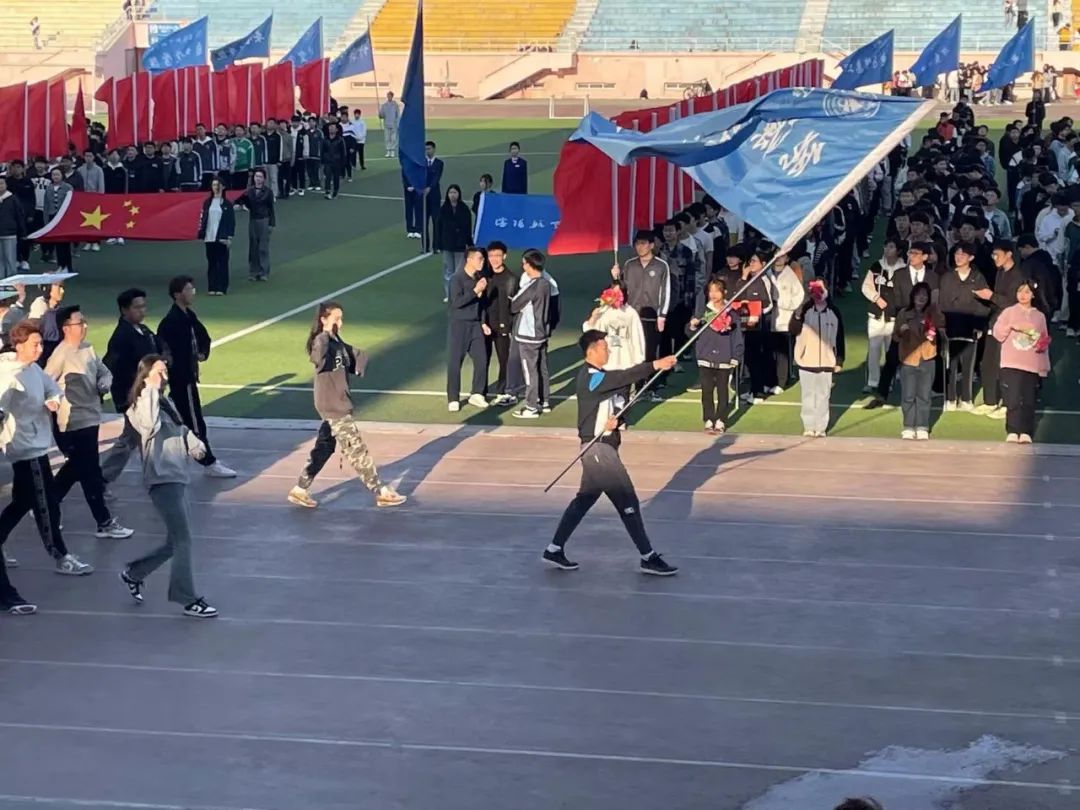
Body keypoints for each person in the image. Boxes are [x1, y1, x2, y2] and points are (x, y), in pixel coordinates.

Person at [542, 330, 678, 576]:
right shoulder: (591, 377)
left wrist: (618, 419)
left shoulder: (603, 378)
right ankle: (648, 556)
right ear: (591, 351)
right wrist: (655, 365)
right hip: (598, 450)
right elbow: (623, 376)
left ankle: (554, 549)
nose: (608, 350)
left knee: (585, 499)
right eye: (604, 347)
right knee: (627, 501)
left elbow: (619, 400)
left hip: (603, 448)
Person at [119, 355, 217, 618]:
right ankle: (187, 598)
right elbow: (150, 426)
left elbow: (178, 428)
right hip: (162, 478)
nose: (163, 377)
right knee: (183, 540)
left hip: (178, 475)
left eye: (164, 372)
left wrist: (193, 443)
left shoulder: (165, 401)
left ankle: (134, 573)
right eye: (158, 372)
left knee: (175, 541)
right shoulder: (140, 404)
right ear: (145, 375)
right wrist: (151, 389)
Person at [287, 302, 406, 509]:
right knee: (356, 450)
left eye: (341, 319)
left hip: (336, 402)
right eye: (336, 319)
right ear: (324, 320)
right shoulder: (322, 341)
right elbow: (317, 355)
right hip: (333, 405)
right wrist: (325, 334)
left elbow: (353, 356)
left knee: (325, 447)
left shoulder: (336, 342)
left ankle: (300, 489)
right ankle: (381, 491)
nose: (340, 324)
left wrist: (359, 360)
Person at [0, 320, 94, 577]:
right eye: (35, 344)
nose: (40, 349)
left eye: (41, 343)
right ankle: (61, 555)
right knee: (47, 502)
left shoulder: (33, 369)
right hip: (26, 448)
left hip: (39, 444)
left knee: (22, 501)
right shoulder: (9, 375)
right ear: (19, 346)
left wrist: (53, 399)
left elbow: (52, 389)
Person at [45, 305, 134, 539]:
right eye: (79, 323)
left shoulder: (88, 348)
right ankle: (104, 522)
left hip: (92, 416)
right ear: (66, 328)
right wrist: (53, 401)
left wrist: (104, 382)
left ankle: (47, 504)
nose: (84, 326)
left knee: (77, 468)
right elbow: (46, 383)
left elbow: (105, 371)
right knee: (89, 471)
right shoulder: (61, 355)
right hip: (73, 421)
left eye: (84, 321)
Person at [157, 276, 236, 478]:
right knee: (193, 420)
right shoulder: (171, 322)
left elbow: (203, 336)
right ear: (177, 294)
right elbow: (163, 348)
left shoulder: (187, 316)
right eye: (188, 289)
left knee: (180, 417)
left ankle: (178, 453)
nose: (192, 292)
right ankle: (207, 460)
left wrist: (201, 353)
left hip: (187, 376)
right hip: (181, 378)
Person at [101, 288, 162, 487]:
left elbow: (158, 347)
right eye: (137, 307)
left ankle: (105, 478)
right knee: (132, 438)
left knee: (138, 436)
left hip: (147, 394)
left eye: (143, 306)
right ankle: (103, 478)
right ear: (124, 310)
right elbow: (111, 366)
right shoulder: (121, 337)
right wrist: (125, 399)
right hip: (134, 397)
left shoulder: (143, 331)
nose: (142, 311)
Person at [611, 230, 671, 401]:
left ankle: (650, 388)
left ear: (651, 245)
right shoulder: (629, 265)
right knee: (634, 352)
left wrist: (662, 315)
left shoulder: (661, 266)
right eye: (637, 244)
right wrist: (615, 277)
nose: (640, 247)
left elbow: (666, 291)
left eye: (643, 243)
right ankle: (636, 388)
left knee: (650, 353)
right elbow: (621, 289)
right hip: (632, 316)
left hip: (652, 316)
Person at [975, 240, 1028, 417]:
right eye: (993, 254)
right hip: (996, 323)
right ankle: (990, 401)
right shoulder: (1000, 272)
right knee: (988, 363)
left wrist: (990, 296)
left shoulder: (1018, 276)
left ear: (1009, 254)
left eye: (997, 254)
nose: (994, 258)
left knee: (1007, 366)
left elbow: (1013, 302)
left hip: (1011, 326)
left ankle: (1008, 404)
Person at [993, 280, 1051, 443]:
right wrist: (1013, 326)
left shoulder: (1039, 316)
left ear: (1033, 295)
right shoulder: (1008, 312)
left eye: (1026, 292)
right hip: (1011, 363)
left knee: (1028, 400)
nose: (1023, 295)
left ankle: (1026, 431)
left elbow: (1044, 340)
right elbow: (998, 333)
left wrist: (1040, 346)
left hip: (1031, 364)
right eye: (1020, 291)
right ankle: (1012, 430)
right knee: (1012, 399)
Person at [688, 277, 743, 435]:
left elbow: (737, 336)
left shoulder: (731, 313)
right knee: (706, 390)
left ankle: (721, 419)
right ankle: (708, 418)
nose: (713, 294)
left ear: (724, 292)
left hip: (724, 357)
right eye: (711, 291)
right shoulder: (703, 312)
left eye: (717, 291)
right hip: (705, 356)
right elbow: (690, 333)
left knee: (722, 391)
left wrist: (736, 356)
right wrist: (692, 325)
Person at [939, 242, 990, 411]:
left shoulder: (978, 277)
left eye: (963, 254)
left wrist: (979, 325)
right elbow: (942, 302)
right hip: (951, 328)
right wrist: (942, 325)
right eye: (957, 254)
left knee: (968, 365)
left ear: (971, 257)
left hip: (971, 328)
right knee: (951, 365)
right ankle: (951, 398)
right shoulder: (947, 277)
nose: (959, 257)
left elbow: (983, 305)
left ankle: (967, 398)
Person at [790, 279, 844, 438]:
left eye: (820, 290)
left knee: (823, 395)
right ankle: (809, 426)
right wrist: (797, 314)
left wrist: (839, 359)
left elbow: (839, 337)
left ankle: (820, 427)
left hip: (827, 361)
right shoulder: (805, 310)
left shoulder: (834, 311)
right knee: (808, 395)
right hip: (806, 360)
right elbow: (793, 330)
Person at [894, 282, 945, 440]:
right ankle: (908, 426)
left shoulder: (932, 313)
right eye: (918, 294)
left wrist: (934, 309)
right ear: (913, 296)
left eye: (925, 295)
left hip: (927, 358)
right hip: (908, 359)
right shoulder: (904, 313)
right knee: (908, 396)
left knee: (924, 396)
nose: (921, 298)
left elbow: (942, 325)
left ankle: (922, 426)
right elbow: (895, 336)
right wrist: (901, 331)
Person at [510, 249, 555, 419]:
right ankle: (544, 401)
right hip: (542, 333)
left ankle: (531, 407)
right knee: (542, 368)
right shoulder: (546, 284)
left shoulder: (532, 286)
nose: (523, 267)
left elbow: (514, 305)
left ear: (529, 265)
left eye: (524, 263)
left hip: (529, 334)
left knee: (530, 371)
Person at [446, 247, 490, 412]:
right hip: (459, 325)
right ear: (469, 260)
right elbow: (456, 303)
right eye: (479, 259)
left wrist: (483, 322)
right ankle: (453, 397)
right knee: (455, 362)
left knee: (481, 360)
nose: (482, 262)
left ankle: (477, 393)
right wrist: (475, 291)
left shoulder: (479, 278)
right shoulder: (456, 279)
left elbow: (482, 304)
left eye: (483, 259)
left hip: (475, 325)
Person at [861, 237, 905, 392]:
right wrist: (876, 298)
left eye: (891, 247)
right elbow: (866, 287)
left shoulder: (904, 270)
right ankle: (872, 381)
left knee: (890, 351)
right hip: (876, 315)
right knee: (874, 349)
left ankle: (888, 382)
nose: (887, 250)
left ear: (898, 251)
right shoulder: (876, 266)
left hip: (894, 317)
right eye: (886, 246)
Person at [483, 241, 518, 405]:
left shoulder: (511, 279)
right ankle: (480, 391)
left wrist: (509, 325)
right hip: (485, 325)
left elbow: (514, 305)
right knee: (483, 360)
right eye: (491, 256)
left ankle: (502, 390)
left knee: (504, 360)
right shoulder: (484, 276)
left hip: (503, 326)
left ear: (504, 256)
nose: (494, 259)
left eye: (497, 255)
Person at [197, 178, 236, 296]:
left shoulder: (227, 204)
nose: (215, 187)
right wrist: (201, 232)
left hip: (222, 237)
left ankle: (222, 287)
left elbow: (231, 221)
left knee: (222, 262)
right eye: (214, 185)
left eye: (217, 185)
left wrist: (229, 237)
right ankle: (212, 286)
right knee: (212, 262)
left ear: (223, 187)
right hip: (209, 237)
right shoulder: (207, 203)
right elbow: (202, 218)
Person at [235, 169, 275, 282]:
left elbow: (271, 208)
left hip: (264, 219)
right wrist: (242, 199)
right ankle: (253, 271)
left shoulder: (268, 192)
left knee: (263, 247)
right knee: (253, 247)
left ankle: (264, 272)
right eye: (256, 176)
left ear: (264, 179)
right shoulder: (250, 191)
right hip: (253, 220)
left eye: (260, 177)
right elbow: (244, 202)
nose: (258, 179)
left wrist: (272, 224)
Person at [435, 184, 472, 302]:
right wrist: (437, 244)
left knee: (459, 271)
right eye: (450, 193)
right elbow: (439, 228)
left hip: (460, 244)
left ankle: (459, 293)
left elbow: (468, 227)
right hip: (447, 243)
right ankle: (449, 294)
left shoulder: (464, 209)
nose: (452, 195)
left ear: (459, 194)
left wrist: (469, 243)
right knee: (448, 270)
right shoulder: (443, 209)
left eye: (455, 192)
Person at [43, 167, 73, 272]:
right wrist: (46, 220)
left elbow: (72, 202)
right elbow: (46, 204)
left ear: (62, 176)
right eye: (53, 175)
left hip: (64, 217)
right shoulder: (49, 188)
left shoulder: (68, 187)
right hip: (53, 216)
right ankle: (61, 265)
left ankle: (67, 266)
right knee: (57, 242)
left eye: (57, 174)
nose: (55, 177)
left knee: (65, 243)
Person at [0, 176, 27, 278]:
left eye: (2, 183)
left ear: (6, 185)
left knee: (10, 258)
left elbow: (19, 216)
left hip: (9, 233)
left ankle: (11, 280)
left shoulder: (13, 199)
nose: (0, 186)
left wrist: (22, 232)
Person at [321, 122, 347, 200]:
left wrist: (343, 162)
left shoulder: (340, 140)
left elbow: (343, 152)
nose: (331, 129)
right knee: (327, 177)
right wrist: (322, 160)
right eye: (330, 127)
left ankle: (335, 191)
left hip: (337, 161)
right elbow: (322, 150)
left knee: (336, 178)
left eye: (333, 127)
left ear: (336, 130)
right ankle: (327, 191)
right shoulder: (325, 139)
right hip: (328, 161)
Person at [343, 108, 367, 178]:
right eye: (355, 114)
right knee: (353, 153)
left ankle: (362, 165)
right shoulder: (352, 122)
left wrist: (361, 138)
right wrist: (354, 138)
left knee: (361, 153)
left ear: (359, 115)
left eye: (358, 114)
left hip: (361, 140)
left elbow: (364, 131)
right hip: (354, 140)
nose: (357, 115)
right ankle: (353, 165)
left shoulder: (362, 122)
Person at [379, 91, 400, 158]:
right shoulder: (384, 105)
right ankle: (388, 151)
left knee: (393, 138)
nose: (389, 97)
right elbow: (382, 116)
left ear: (392, 96)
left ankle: (392, 151)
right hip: (386, 124)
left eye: (390, 96)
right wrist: (380, 114)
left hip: (393, 124)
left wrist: (397, 122)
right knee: (387, 138)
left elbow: (398, 114)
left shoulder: (395, 105)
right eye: (388, 96)